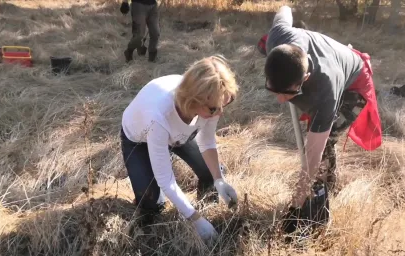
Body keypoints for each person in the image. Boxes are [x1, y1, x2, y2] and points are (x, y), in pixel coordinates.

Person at [263, 6, 382, 232]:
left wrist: (297, 203)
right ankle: (323, 183)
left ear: (305, 78)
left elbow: (312, 155)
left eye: (287, 94)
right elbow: (283, 10)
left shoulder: (326, 91)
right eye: (272, 89)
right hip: (330, 58)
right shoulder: (278, 39)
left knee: (324, 144)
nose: (280, 100)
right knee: (320, 142)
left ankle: (323, 189)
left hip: (353, 83)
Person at [120, 55, 239, 241]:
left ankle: (208, 210)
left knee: (210, 172)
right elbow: (166, 180)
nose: (220, 113)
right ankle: (149, 237)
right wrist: (195, 220)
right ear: (194, 100)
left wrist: (219, 179)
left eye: (224, 104)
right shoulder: (158, 116)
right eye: (214, 109)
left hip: (176, 134)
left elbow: (206, 142)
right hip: (139, 139)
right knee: (151, 202)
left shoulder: (212, 101)